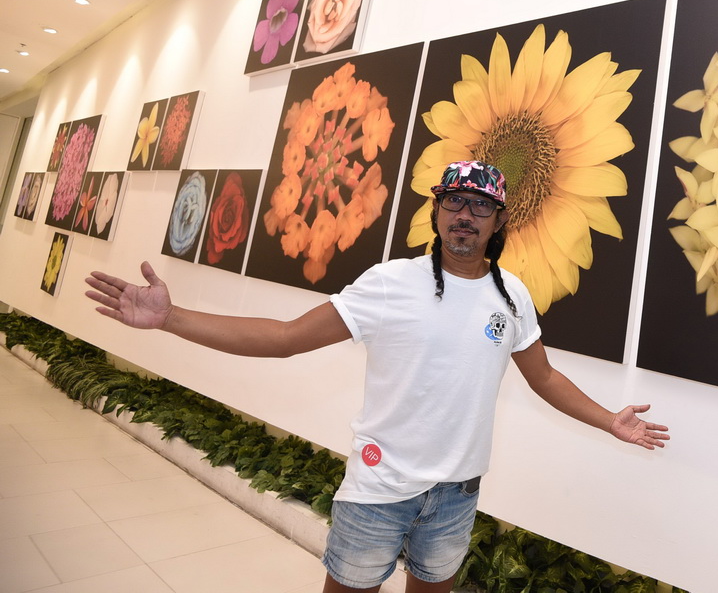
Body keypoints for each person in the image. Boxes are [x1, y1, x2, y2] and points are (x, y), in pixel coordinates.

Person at [85, 160, 669, 593]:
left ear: (498, 221)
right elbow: (286, 338)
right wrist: (171, 318)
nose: (465, 215)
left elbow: (543, 377)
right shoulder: (390, 283)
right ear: (437, 211)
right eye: (454, 202)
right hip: (378, 492)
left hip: (457, 495)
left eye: (481, 206)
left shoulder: (512, 296)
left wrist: (608, 419)